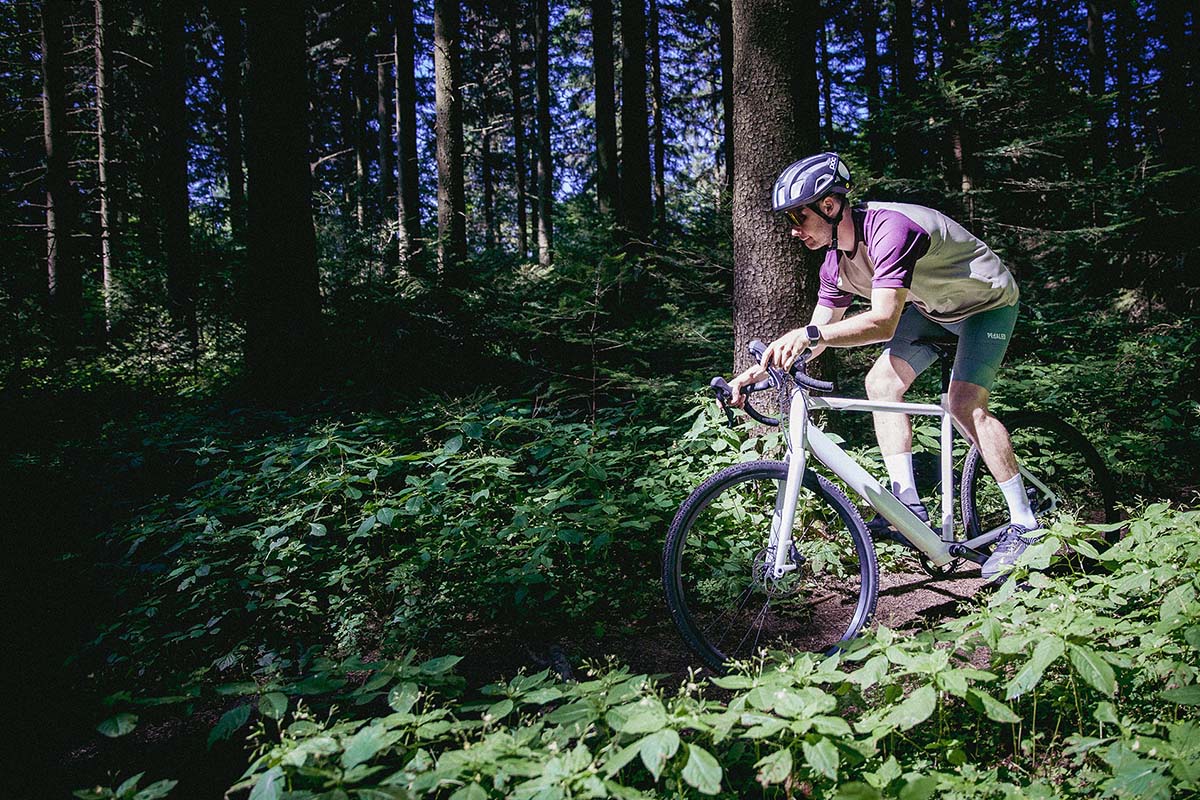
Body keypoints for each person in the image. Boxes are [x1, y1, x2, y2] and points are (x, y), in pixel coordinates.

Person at [726, 152, 1038, 581]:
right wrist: (755, 373)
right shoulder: (835, 265)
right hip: (933, 309)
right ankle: (906, 506)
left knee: (963, 402)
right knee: (880, 384)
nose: (794, 230)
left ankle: (1025, 524)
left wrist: (811, 336)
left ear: (830, 206)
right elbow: (814, 336)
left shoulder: (890, 229)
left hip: (987, 302)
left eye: (799, 218)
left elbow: (882, 321)